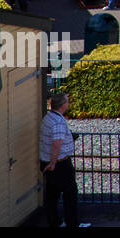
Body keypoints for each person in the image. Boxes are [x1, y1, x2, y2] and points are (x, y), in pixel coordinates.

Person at [40, 93, 81, 228]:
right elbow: (56, 144)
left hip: (48, 162)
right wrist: (53, 163)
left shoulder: (49, 117)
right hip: (59, 164)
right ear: (63, 105)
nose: (68, 104)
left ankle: (55, 222)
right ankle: (72, 223)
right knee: (70, 194)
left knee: (52, 195)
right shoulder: (58, 122)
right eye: (67, 102)